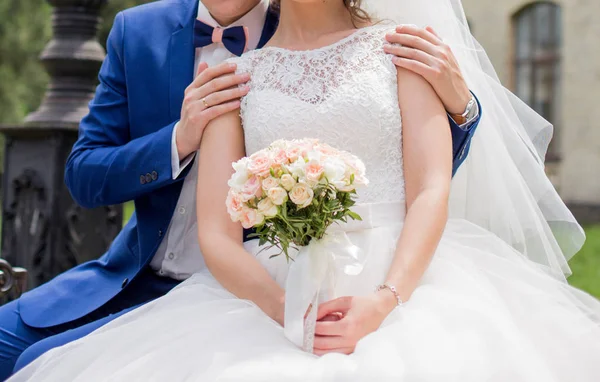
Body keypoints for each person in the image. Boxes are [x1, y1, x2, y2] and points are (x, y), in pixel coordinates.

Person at [10, 0, 600, 380]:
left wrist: (386, 298)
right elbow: (90, 176)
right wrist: (182, 137)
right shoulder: (212, 66)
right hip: (208, 285)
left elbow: (425, 182)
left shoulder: (397, 47)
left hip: (383, 276)